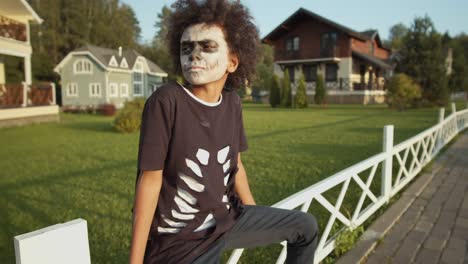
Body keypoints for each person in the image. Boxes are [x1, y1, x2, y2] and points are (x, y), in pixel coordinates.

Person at [129, 1, 319, 263]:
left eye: (207, 46)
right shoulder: (166, 100)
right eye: (187, 48)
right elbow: (149, 182)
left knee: (305, 227)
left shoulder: (232, 103)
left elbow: (236, 164)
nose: (194, 55)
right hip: (182, 242)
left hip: (229, 219)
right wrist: (135, 261)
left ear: (232, 62)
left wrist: (255, 214)